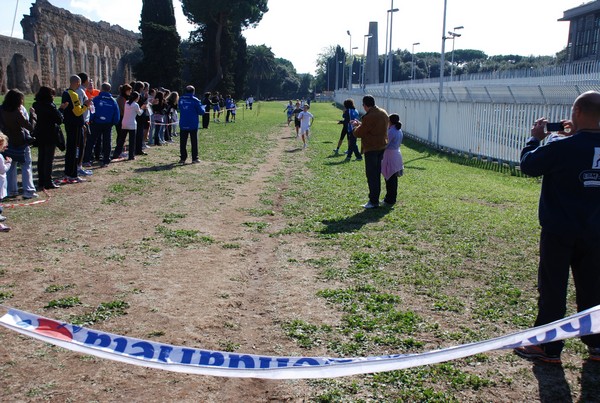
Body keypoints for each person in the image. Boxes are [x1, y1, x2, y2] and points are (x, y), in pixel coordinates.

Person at [514, 91, 600, 365]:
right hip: (596, 231)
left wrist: (535, 139)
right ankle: (597, 344)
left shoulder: (563, 147)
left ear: (576, 113)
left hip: (560, 229)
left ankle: (547, 347)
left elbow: (529, 165)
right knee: (593, 287)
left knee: (553, 287)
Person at [352, 95, 389, 209]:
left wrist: (355, 127)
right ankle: (375, 199)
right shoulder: (383, 112)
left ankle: (373, 201)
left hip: (371, 148)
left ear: (365, 105)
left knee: (372, 175)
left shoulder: (369, 116)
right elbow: (372, 127)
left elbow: (359, 133)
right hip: (381, 146)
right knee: (376, 174)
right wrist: (361, 125)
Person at [1, 89, 38, 198]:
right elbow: (29, 126)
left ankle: (11, 190)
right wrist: (33, 115)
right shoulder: (17, 112)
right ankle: (28, 190)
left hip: (7, 141)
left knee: (10, 166)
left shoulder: (1, 109)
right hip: (20, 142)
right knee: (26, 165)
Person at [32, 86, 65, 189]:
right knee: (48, 159)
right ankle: (48, 181)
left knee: (41, 158)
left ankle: (41, 181)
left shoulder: (36, 105)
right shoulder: (50, 106)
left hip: (40, 133)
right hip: (50, 134)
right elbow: (59, 120)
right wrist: (61, 110)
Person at [62, 75, 91, 183]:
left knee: (70, 150)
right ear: (78, 83)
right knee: (75, 150)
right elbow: (77, 111)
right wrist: (86, 105)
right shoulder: (73, 94)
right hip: (75, 126)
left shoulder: (65, 93)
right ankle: (73, 174)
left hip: (69, 125)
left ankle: (68, 172)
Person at [87, 82, 120, 168]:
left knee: (91, 141)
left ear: (101, 89)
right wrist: (114, 122)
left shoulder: (96, 99)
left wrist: (91, 120)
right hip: (108, 124)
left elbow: (92, 111)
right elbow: (116, 114)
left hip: (96, 123)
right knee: (107, 142)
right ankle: (106, 160)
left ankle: (87, 159)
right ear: (109, 90)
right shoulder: (113, 101)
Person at [380, 114, 404, 206]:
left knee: (389, 179)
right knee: (393, 179)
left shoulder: (392, 131)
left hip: (390, 155)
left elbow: (385, 143)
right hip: (396, 155)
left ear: (390, 121)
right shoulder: (399, 130)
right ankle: (391, 198)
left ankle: (389, 199)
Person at [178, 85, 204, 164]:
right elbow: (201, 112)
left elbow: (180, 108)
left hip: (183, 123)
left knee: (183, 142)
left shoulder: (181, 99)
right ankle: (194, 158)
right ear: (193, 91)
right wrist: (203, 108)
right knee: (194, 141)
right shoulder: (195, 100)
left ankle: (182, 158)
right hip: (193, 123)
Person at [121, 91, 146, 161]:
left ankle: (116, 154)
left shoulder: (126, 103)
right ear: (136, 98)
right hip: (132, 124)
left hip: (124, 123)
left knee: (122, 140)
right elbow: (139, 113)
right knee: (132, 141)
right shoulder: (135, 105)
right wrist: (143, 108)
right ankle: (131, 156)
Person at [111, 83, 132, 160]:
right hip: (121, 118)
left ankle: (120, 151)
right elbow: (124, 109)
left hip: (123, 118)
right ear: (126, 90)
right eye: (129, 90)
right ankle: (119, 152)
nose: (130, 92)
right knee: (121, 136)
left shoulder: (124, 97)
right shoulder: (122, 98)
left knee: (121, 136)